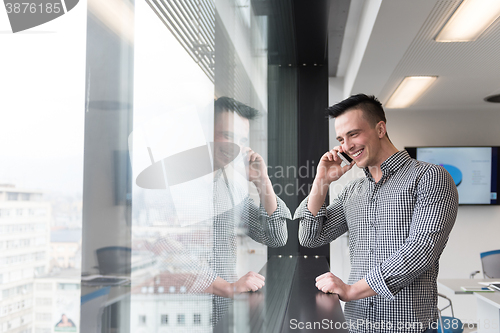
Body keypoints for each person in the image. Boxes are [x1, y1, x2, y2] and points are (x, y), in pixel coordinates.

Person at [294, 94, 458, 333]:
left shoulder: (430, 177)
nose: (347, 145)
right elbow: (310, 238)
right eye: (341, 138)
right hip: (358, 324)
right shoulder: (354, 191)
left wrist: (351, 290)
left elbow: (421, 251)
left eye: (354, 134)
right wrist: (321, 181)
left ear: (380, 129)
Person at [155, 96, 290, 325]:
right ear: (205, 133)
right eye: (227, 135)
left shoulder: (231, 186)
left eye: (242, 139)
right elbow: (166, 247)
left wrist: (262, 182)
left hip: (222, 313)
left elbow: (275, 236)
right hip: (184, 316)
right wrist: (228, 287)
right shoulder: (176, 183)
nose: (234, 147)